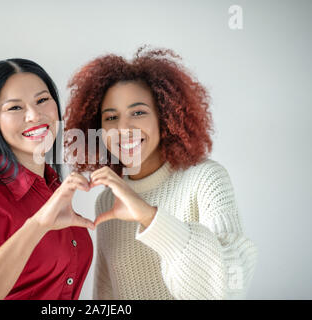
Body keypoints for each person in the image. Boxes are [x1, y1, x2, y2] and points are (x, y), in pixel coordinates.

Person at [63, 46, 259, 299]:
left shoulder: (205, 179)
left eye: (138, 112)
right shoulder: (107, 202)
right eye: (111, 118)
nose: (123, 128)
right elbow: (107, 294)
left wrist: (149, 216)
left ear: (164, 117)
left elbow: (231, 286)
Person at [0, 58, 94, 300]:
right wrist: (37, 226)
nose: (34, 115)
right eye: (15, 108)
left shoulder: (54, 186)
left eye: (42, 100)